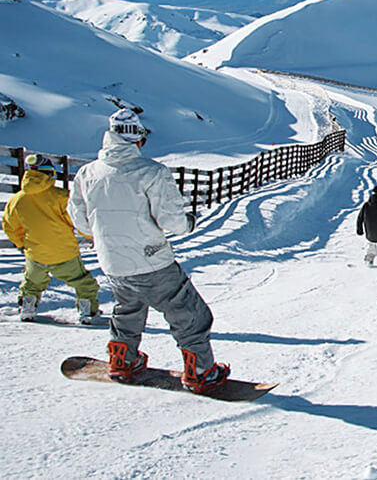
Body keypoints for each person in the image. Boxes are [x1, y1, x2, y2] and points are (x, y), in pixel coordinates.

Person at [67, 109, 230, 393]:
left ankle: (122, 360)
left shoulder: (87, 173)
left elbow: (80, 220)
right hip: (151, 259)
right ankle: (200, 371)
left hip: (112, 261)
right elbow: (170, 220)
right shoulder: (151, 172)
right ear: (137, 140)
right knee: (189, 312)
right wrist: (188, 223)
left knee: (128, 308)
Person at [2, 154, 100, 323]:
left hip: (35, 253)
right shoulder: (62, 197)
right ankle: (87, 312)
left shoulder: (17, 200)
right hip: (64, 253)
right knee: (82, 282)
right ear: (50, 174)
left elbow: (10, 226)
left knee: (32, 282)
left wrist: (22, 244)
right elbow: (78, 220)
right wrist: (90, 236)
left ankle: (27, 307)